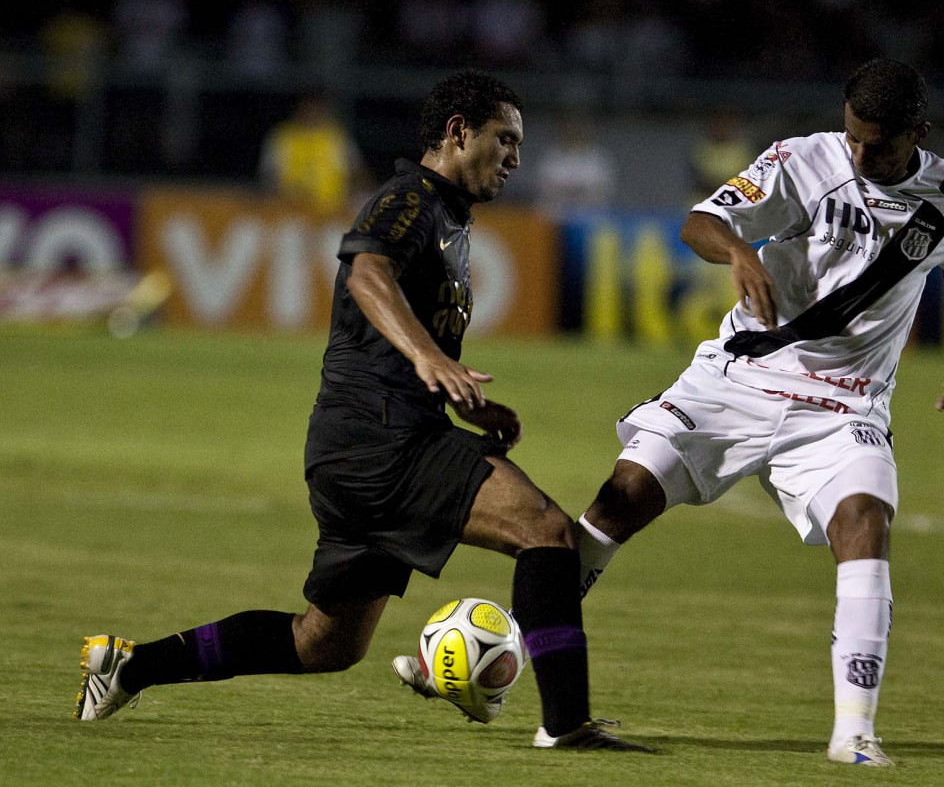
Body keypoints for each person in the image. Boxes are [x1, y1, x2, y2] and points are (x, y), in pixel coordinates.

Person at [75, 70, 649, 753]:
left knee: (325, 641)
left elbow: (391, 332)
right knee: (546, 530)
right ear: (459, 132)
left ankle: (131, 665)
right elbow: (366, 271)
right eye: (506, 139)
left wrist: (468, 402)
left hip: (357, 444)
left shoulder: (450, 221)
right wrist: (429, 361)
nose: (516, 159)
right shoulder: (412, 198)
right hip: (383, 440)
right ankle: (566, 723)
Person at [573, 59, 944, 767]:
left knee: (865, 523)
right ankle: (508, 645)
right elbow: (701, 220)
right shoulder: (805, 159)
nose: (860, 155)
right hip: (741, 377)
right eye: (854, 137)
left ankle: (853, 734)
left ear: (917, 134)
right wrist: (739, 250)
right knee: (621, 499)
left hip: (845, 404)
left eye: (879, 146)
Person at [258, 91, 370, 218]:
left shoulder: (336, 137)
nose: (311, 113)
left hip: (331, 211)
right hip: (291, 211)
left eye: (316, 108)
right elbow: (268, 178)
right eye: (307, 108)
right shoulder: (282, 138)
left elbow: (357, 173)